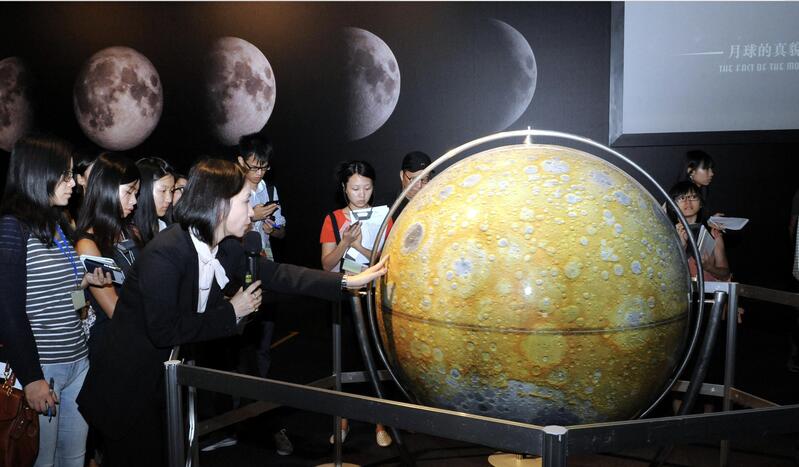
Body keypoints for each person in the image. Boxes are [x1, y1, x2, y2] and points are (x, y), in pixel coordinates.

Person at [77, 159, 387, 466]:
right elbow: (163, 330)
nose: (251, 211)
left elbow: (278, 274)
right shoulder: (166, 253)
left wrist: (346, 282)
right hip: (128, 390)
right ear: (220, 205)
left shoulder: (221, 246)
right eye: (245, 202)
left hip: (162, 385)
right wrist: (231, 311)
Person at [0, 135, 112, 467]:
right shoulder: (12, 227)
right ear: (39, 174)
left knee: (73, 459)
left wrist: (85, 284)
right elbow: (7, 310)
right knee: (42, 461)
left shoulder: (56, 224)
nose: (73, 184)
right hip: (43, 368)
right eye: (65, 175)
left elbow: (66, 292)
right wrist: (32, 377)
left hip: (77, 362)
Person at [320, 160, 393, 447]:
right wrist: (345, 242)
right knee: (345, 359)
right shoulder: (333, 219)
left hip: (374, 297)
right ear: (344, 188)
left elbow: (387, 260)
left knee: (377, 359)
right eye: (355, 189)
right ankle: (343, 420)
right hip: (345, 297)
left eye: (367, 188)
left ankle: (381, 423)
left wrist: (359, 245)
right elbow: (326, 265)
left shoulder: (384, 217)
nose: (361, 195)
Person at [234, 134, 291, 455]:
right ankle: (235, 423)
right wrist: (251, 217)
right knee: (237, 354)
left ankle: (267, 420)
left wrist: (272, 229)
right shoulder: (228, 187)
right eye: (254, 167)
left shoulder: (269, 189)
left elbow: (282, 230)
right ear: (240, 161)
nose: (259, 174)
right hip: (235, 279)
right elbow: (220, 229)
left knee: (264, 350)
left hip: (265, 275)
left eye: (264, 167)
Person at [75, 153, 141, 345]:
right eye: (129, 192)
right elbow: (114, 309)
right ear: (106, 190)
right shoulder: (87, 245)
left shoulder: (130, 231)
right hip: (113, 342)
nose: (134, 201)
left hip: (138, 334)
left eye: (136, 193)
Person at [669, 181, 730, 282]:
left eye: (693, 197)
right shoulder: (667, 233)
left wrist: (709, 267)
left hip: (707, 290)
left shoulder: (712, 233)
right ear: (672, 205)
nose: (688, 202)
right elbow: (664, 272)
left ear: (701, 203)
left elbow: (725, 274)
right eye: (682, 198)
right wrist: (682, 247)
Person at [131, 157, 174, 245]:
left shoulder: (164, 227)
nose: (169, 199)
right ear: (143, 190)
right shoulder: (124, 234)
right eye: (163, 191)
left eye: (171, 191)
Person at [392, 151, 432, 222]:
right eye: (414, 179)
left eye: (425, 179)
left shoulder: (434, 201)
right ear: (402, 175)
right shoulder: (388, 209)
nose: (419, 186)